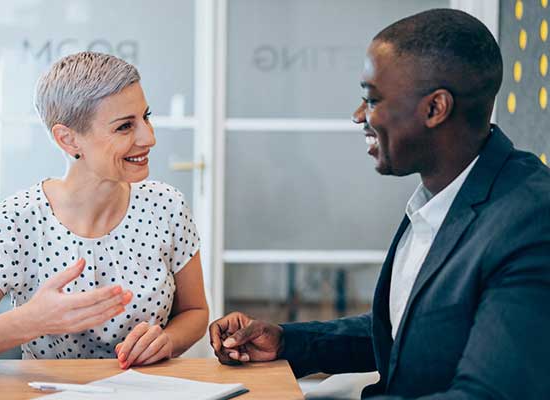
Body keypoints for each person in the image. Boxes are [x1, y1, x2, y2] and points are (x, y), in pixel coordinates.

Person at [209, 9, 550, 399]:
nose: (358, 117)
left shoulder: (530, 222)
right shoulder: (441, 195)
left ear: (435, 108)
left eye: (371, 100)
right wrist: (288, 343)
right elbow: (407, 329)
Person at [0, 52, 209, 368]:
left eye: (146, 117)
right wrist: (31, 320)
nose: (149, 137)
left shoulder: (167, 206)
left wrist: (168, 340)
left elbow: (195, 312)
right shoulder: (14, 221)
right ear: (68, 139)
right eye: (125, 126)